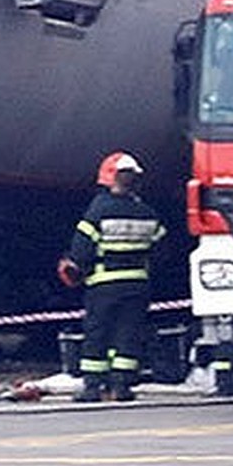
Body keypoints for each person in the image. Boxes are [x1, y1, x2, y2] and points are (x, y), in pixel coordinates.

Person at [57, 153, 166, 402]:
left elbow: (81, 252)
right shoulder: (147, 213)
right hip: (138, 284)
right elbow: (161, 250)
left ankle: (93, 388)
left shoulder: (98, 211)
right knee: (129, 333)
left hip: (103, 284)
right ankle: (122, 386)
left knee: (98, 334)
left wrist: (74, 268)